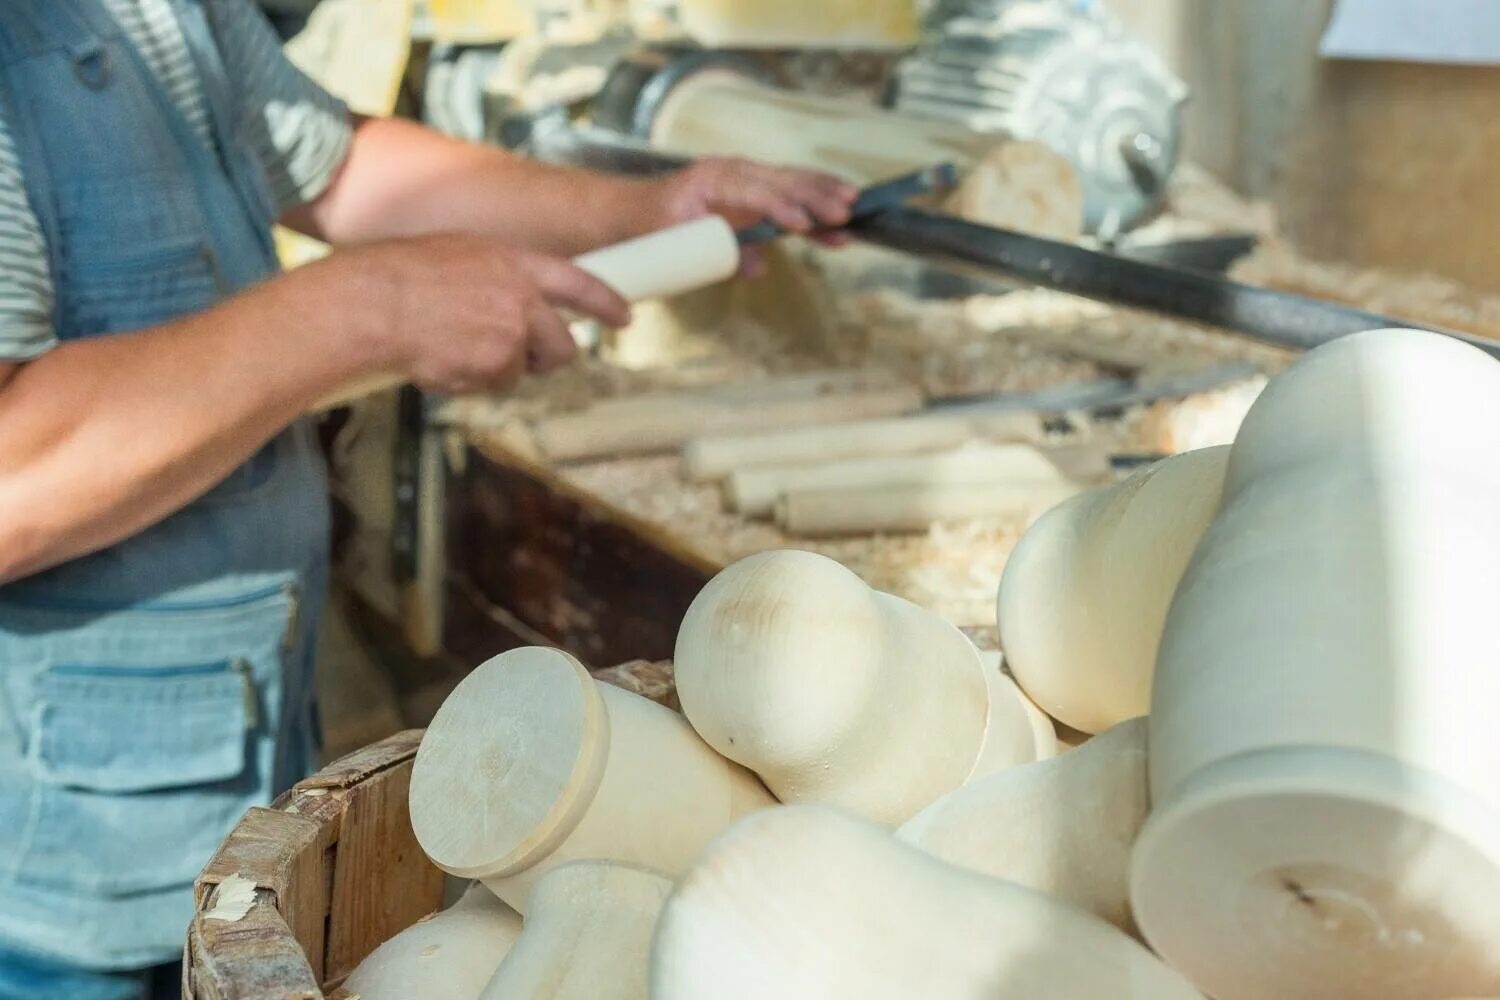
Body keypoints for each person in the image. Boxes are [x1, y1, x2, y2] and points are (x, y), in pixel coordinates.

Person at [0, 2, 857, 996]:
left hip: (219, 767)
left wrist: (651, 210)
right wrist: (365, 308)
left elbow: (331, 166)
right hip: (49, 885)